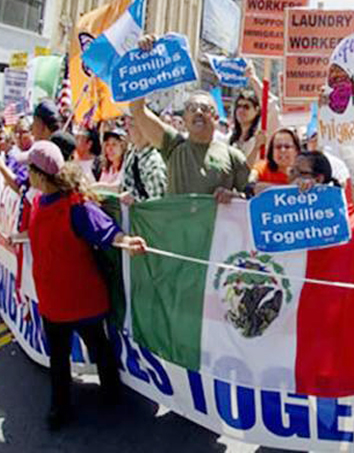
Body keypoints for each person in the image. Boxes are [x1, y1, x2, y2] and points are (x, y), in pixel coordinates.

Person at [19, 141, 146, 430]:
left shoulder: (76, 206)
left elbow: (106, 232)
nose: (27, 172)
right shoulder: (39, 202)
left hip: (82, 300)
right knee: (60, 358)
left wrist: (126, 242)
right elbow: (38, 234)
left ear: (39, 175)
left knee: (98, 348)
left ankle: (111, 395)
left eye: (29, 168)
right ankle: (60, 407)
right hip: (52, 300)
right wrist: (17, 236)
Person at [132, 34, 251, 202]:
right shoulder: (173, 144)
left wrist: (235, 196)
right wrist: (142, 61)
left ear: (216, 118)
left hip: (214, 228)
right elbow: (138, 111)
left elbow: (251, 199)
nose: (198, 112)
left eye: (205, 108)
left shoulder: (233, 156)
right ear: (185, 119)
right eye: (192, 108)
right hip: (177, 227)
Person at [119, 115, 167, 203]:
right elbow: (123, 186)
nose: (126, 129)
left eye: (131, 125)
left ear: (144, 129)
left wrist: (135, 200)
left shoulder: (154, 164)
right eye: (125, 124)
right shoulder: (132, 155)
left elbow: (159, 204)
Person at [229, 90, 267, 167]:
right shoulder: (230, 138)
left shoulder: (259, 138)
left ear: (257, 110)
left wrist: (256, 147)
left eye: (246, 107)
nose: (241, 110)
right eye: (238, 106)